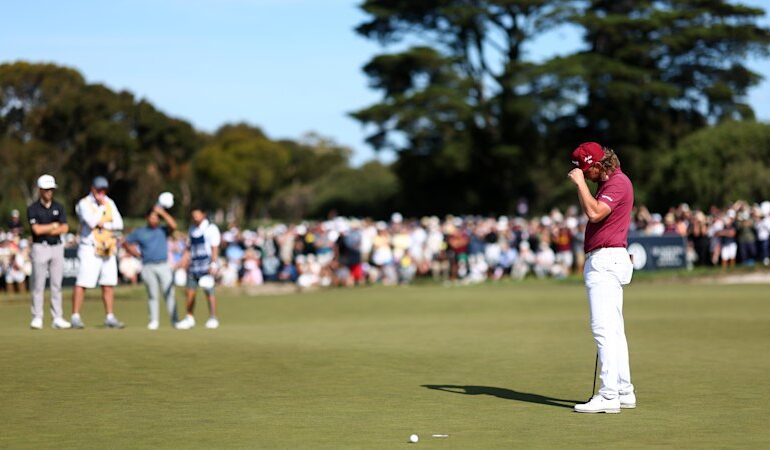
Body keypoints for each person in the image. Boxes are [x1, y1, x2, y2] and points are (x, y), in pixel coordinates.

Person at [568, 142, 635, 414]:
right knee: (614, 331)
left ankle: (609, 396)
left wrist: (580, 185)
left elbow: (595, 213)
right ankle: (623, 390)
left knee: (603, 330)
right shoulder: (610, 184)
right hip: (608, 259)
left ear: (597, 164)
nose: (584, 174)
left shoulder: (617, 183)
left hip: (605, 261)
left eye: (586, 170)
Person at [70, 176, 125, 329]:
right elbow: (92, 222)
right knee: (83, 282)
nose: (101, 192)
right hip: (89, 248)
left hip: (108, 247)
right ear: (92, 188)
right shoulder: (83, 204)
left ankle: (110, 317)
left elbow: (119, 223)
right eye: (98, 189)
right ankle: (75, 316)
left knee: (108, 283)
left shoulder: (110, 202)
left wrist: (105, 224)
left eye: (103, 189)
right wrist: (101, 208)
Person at [122, 205, 179, 330]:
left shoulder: (163, 230)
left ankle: (175, 321)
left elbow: (174, 226)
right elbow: (126, 242)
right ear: (147, 218)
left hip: (163, 265)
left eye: (156, 218)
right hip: (148, 266)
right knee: (153, 295)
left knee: (169, 293)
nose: (154, 219)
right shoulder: (140, 232)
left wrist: (162, 213)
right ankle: (154, 321)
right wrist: (135, 253)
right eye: (152, 217)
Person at [26, 175, 71, 329]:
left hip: (57, 247)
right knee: (38, 284)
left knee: (56, 284)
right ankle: (37, 317)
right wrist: (53, 226)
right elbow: (36, 230)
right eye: (46, 190)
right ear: (40, 190)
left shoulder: (59, 207)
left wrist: (49, 228)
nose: (49, 192)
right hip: (40, 247)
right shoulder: (33, 208)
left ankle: (57, 317)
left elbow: (65, 228)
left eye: (51, 189)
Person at [175, 207, 221, 330]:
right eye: (193, 215)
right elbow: (188, 249)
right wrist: (181, 264)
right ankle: (189, 318)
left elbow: (214, 248)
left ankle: (213, 317)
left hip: (207, 265)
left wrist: (214, 264)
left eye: (197, 215)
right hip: (194, 265)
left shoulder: (211, 228)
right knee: (190, 292)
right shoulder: (192, 229)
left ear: (203, 214)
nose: (195, 217)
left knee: (209, 292)